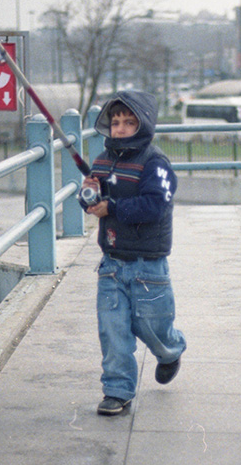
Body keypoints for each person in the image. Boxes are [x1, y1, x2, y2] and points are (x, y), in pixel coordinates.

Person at [79, 90, 186, 416]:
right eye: (115, 122)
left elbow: (156, 205)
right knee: (113, 329)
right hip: (112, 263)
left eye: (129, 121)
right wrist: (89, 197)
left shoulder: (155, 164)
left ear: (144, 125)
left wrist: (112, 206)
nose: (121, 128)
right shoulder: (101, 161)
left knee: (152, 326)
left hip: (148, 267)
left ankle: (170, 351)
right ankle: (117, 390)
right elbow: (90, 200)